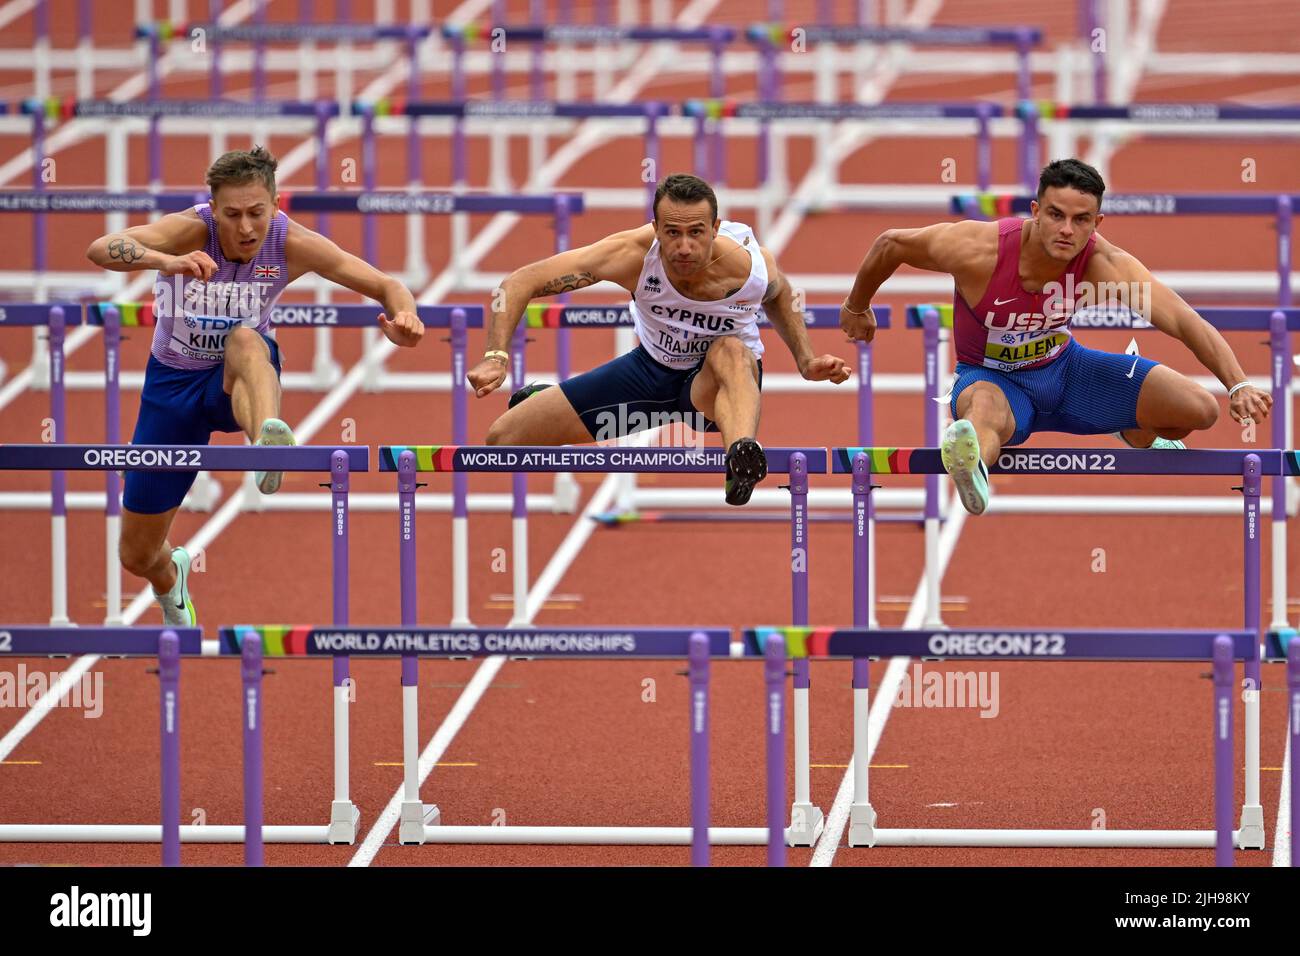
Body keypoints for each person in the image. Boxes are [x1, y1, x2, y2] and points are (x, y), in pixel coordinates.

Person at [86, 146, 425, 625]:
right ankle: (171, 577)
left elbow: (387, 285)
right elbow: (101, 248)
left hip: (240, 380)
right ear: (213, 208)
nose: (246, 227)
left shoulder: (292, 242)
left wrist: (405, 318)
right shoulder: (190, 230)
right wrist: (167, 260)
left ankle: (267, 440)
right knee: (136, 554)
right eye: (232, 215)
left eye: (256, 213)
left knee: (247, 340)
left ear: (276, 203)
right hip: (173, 386)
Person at [839, 158, 1273, 516]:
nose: (1067, 229)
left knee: (1198, 409)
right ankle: (971, 465)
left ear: (1096, 221)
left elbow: (1181, 319)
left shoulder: (1104, 262)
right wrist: (856, 305)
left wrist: (1238, 383)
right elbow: (890, 244)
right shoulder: (976, 249)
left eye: (1081, 220)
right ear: (1035, 211)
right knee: (983, 413)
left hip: (1068, 372)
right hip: (994, 381)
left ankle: (1134, 431)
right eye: (1056, 215)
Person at [465, 173, 852, 505]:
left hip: (718, 389)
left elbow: (781, 294)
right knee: (503, 439)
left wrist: (806, 359)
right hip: (650, 373)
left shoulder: (748, 267)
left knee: (730, 349)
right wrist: (496, 354)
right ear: (655, 229)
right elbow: (519, 282)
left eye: (696, 233)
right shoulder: (631, 256)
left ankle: (741, 458)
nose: (684, 246)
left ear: (715, 229)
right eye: (672, 233)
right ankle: (549, 398)